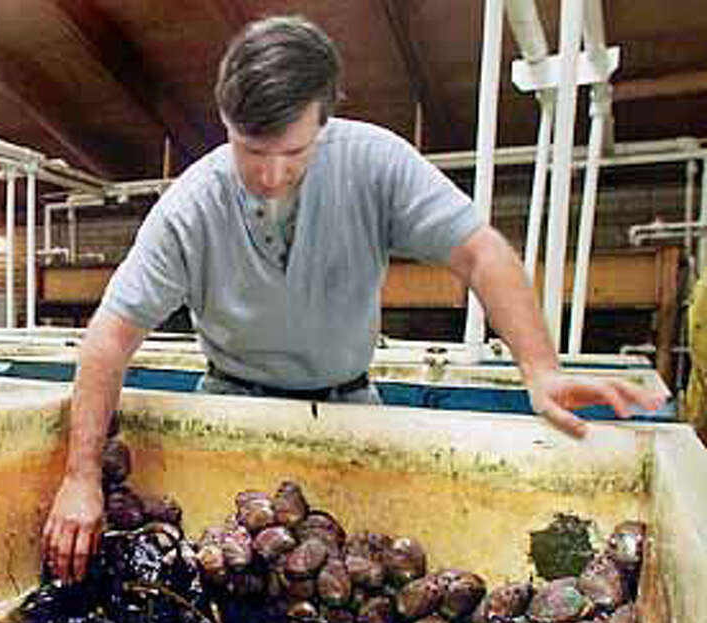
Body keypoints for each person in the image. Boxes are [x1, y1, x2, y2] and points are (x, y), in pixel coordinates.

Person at [42, 15, 668, 583]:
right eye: (251, 152)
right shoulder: (191, 204)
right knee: (229, 578)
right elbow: (111, 335)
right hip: (232, 405)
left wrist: (540, 368)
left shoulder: (374, 163)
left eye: (293, 153)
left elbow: (481, 252)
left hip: (349, 407)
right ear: (227, 124)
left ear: (325, 121)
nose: (271, 176)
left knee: (364, 572)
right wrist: (80, 475)